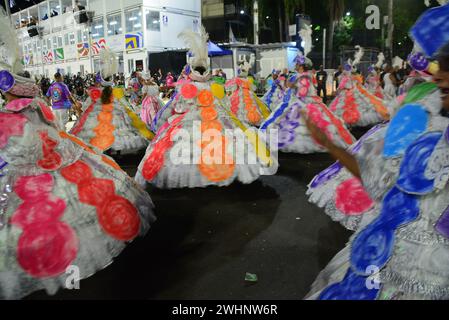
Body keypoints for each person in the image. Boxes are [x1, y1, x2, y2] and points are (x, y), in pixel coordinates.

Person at [0, 10, 155, 300]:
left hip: (34, 166)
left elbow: (25, 149)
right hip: (58, 151)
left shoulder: (12, 115)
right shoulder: (38, 106)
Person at [304, 4, 449, 300]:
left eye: (444, 72)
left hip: (432, 264)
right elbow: (375, 175)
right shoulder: (422, 115)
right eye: (437, 70)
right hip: (386, 248)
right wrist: (330, 145)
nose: (437, 78)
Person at [135, 25, 278, 189]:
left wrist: (164, 123)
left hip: (190, 124)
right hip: (215, 120)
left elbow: (176, 107)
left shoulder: (188, 88)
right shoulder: (210, 87)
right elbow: (222, 104)